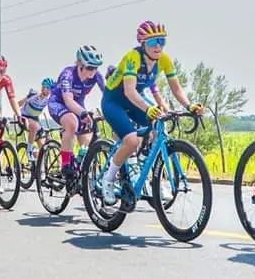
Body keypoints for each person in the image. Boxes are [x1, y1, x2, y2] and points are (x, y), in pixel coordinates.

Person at [101, 21, 202, 206]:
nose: (158, 46)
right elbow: (129, 91)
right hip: (114, 100)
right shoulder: (133, 57)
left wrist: (190, 106)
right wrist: (148, 108)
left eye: (162, 41)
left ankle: (146, 174)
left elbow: (176, 89)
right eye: (153, 41)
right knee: (131, 140)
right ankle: (107, 180)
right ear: (142, 43)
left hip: (133, 100)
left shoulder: (165, 60)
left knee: (156, 131)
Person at [48, 45, 105, 182]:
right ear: (79, 63)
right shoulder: (67, 74)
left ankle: (79, 169)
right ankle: (66, 164)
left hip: (78, 105)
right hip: (59, 103)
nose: (93, 71)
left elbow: (108, 94)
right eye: (89, 67)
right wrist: (83, 114)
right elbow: (68, 101)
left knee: (85, 143)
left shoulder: (96, 76)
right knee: (72, 122)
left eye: (96, 67)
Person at [18, 79, 55, 160]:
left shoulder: (48, 100)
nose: (49, 91)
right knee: (34, 126)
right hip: (24, 118)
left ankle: (37, 166)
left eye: (51, 89)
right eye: (47, 88)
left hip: (35, 120)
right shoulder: (34, 96)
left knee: (42, 147)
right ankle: (29, 150)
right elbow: (18, 104)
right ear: (42, 88)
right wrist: (27, 97)